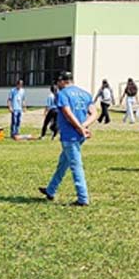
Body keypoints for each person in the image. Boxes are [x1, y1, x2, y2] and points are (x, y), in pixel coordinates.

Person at [39, 71, 95, 206]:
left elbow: (68, 114)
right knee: (63, 163)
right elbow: (94, 113)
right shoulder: (85, 93)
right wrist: (84, 126)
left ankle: (83, 198)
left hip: (70, 136)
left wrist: (79, 128)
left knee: (76, 166)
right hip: (79, 135)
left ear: (62, 81)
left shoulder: (63, 94)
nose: (57, 85)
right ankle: (51, 190)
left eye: (58, 82)